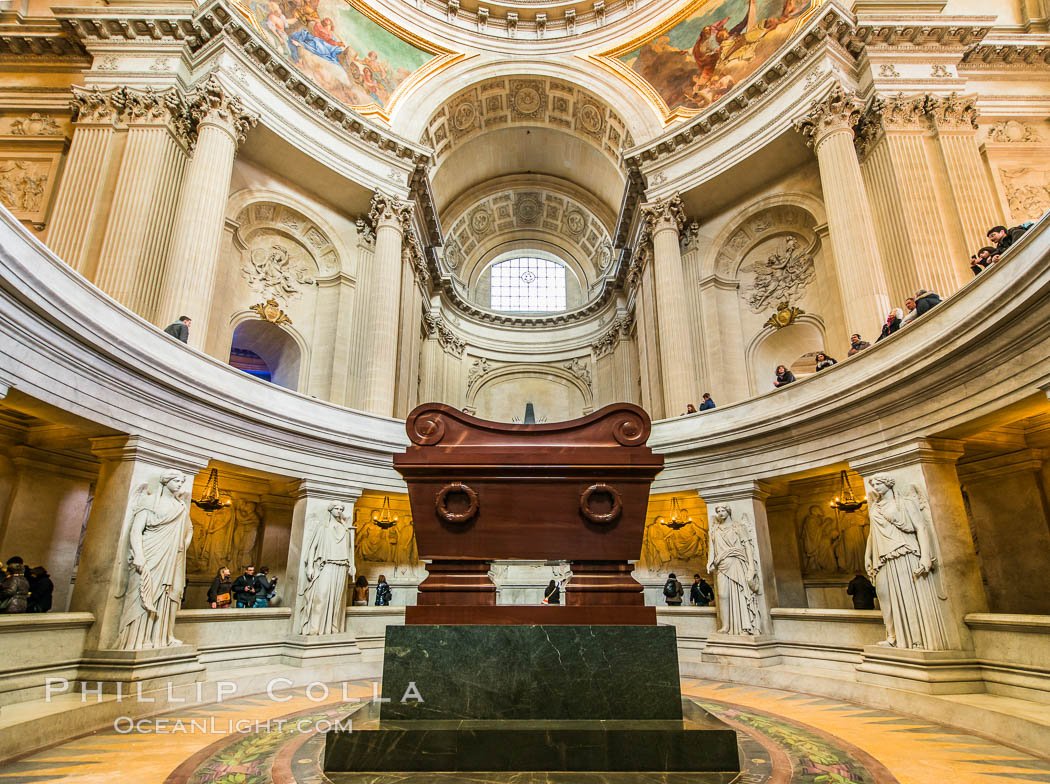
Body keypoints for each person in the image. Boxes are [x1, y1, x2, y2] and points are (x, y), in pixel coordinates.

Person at [865, 476, 951, 650]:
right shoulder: (874, 507)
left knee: (909, 596)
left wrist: (925, 556)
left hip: (905, 551)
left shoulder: (905, 503)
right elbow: (872, 533)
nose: (875, 487)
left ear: (888, 484)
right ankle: (892, 636)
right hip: (882, 556)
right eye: (873, 485)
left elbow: (921, 527)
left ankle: (917, 640)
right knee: (883, 594)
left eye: (878, 484)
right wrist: (868, 554)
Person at [115, 470, 192, 649]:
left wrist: (181, 547)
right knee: (144, 592)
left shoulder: (180, 506)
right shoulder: (149, 502)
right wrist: (139, 555)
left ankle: (162, 636)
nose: (180, 484)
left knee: (169, 594)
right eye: (177, 481)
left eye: (182, 482)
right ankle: (136, 638)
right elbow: (136, 530)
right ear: (165, 482)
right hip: (151, 551)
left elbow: (189, 531)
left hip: (171, 556)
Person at [296, 502, 354, 635]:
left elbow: (349, 550)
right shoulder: (323, 527)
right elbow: (312, 548)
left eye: (341, 509)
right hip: (326, 565)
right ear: (331, 510)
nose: (339, 511)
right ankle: (314, 627)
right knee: (321, 595)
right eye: (336, 508)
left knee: (337, 601)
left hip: (341, 566)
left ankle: (332, 628)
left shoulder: (345, 529)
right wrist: (310, 567)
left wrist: (352, 565)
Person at [707, 505, 761, 635]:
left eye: (723, 511)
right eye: (718, 511)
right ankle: (725, 626)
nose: (720, 513)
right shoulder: (715, 530)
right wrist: (710, 562)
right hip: (722, 565)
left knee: (740, 593)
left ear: (728, 511)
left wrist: (751, 568)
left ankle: (744, 626)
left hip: (737, 562)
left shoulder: (738, 527)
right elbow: (712, 548)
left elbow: (747, 546)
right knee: (722, 595)